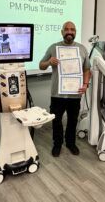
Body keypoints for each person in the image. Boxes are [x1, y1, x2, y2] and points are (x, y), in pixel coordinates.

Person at [39, 21, 91, 157]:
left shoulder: (82, 49)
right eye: (66, 29)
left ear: (75, 32)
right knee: (56, 121)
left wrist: (85, 84)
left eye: (72, 30)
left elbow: (87, 69)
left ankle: (70, 143)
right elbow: (41, 66)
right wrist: (49, 62)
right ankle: (57, 144)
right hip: (57, 94)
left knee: (73, 120)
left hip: (75, 94)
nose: (69, 32)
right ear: (62, 32)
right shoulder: (53, 48)